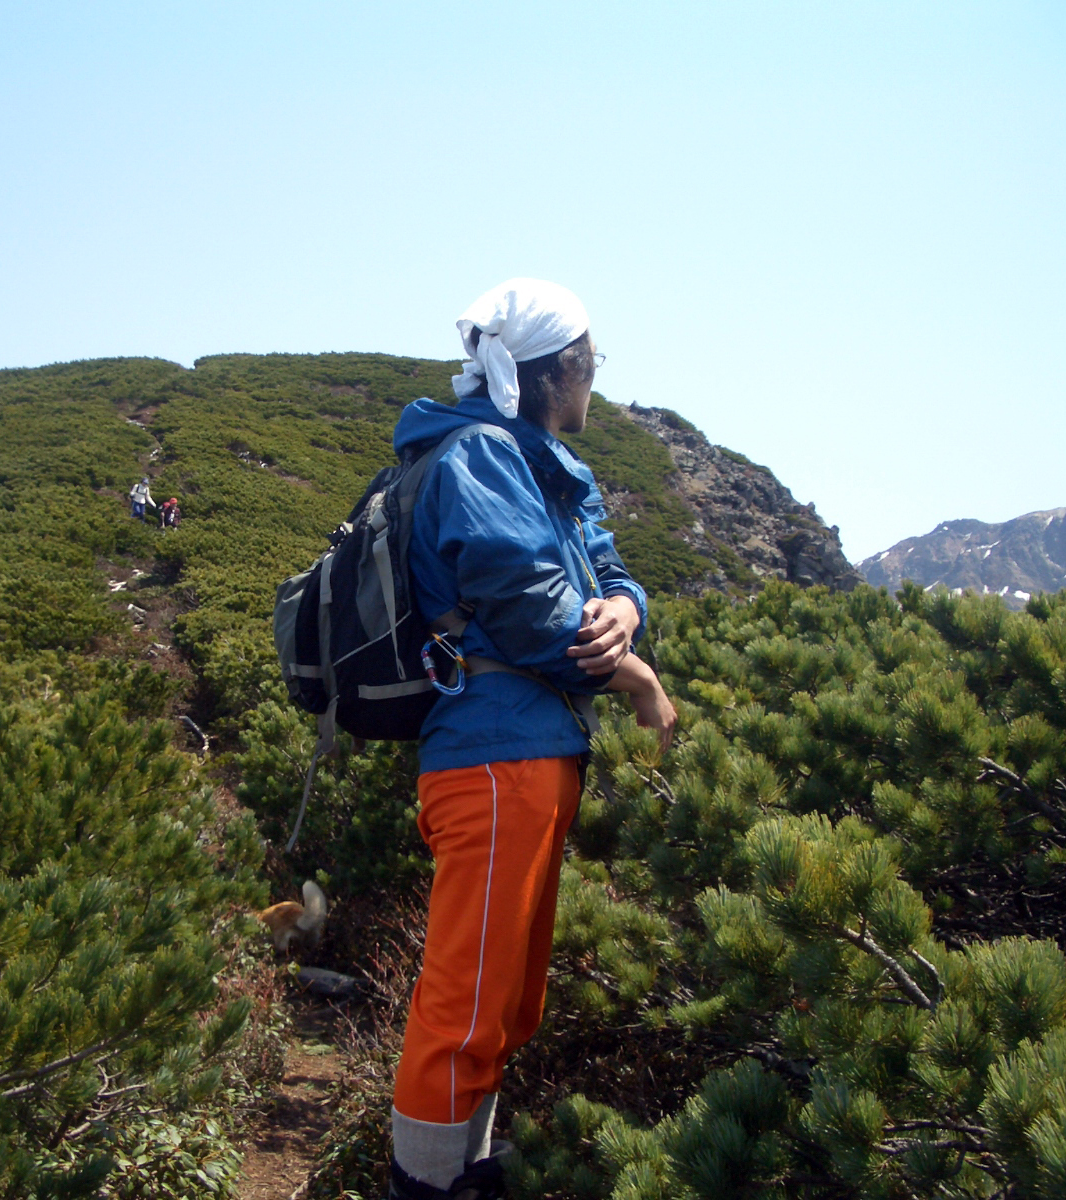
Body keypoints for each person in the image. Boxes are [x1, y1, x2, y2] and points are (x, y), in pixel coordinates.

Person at [385, 279, 678, 1200]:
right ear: (560, 372)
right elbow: (534, 615)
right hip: (493, 759)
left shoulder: (537, 460)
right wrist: (639, 679)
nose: (596, 382)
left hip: (527, 755)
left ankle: (463, 1171)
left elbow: (608, 571)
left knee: (506, 1002)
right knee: (466, 1010)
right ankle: (425, 1188)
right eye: (593, 365)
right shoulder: (481, 455)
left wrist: (625, 608)